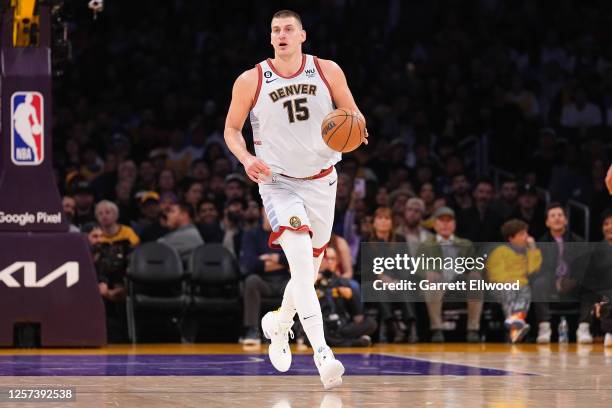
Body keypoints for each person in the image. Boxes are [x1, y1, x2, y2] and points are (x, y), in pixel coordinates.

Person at [224, 9, 367, 389]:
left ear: (303, 35)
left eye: (289, 29)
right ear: (270, 38)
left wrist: (356, 127)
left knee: (308, 271)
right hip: (277, 182)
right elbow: (231, 130)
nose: (282, 35)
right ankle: (324, 355)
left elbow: (352, 113)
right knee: (302, 263)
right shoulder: (251, 79)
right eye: (275, 30)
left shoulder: (327, 70)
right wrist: (247, 158)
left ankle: (281, 323)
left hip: (322, 181)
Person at [416, 206, 483, 343]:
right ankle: (437, 330)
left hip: (459, 282)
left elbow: (476, 264)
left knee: (476, 282)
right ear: (434, 224)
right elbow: (418, 265)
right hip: (437, 281)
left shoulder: (465, 244)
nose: (445, 224)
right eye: (442, 220)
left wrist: (475, 272)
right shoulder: (426, 245)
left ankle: (473, 330)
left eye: (449, 221)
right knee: (433, 283)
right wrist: (427, 272)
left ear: (454, 224)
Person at [533, 203, 590, 344]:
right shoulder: (541, 243)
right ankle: (544, 326)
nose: (557, 218)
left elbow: (583, 267)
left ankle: (584, 327)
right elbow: (540, 268)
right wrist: (557, 282)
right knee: (539, 282)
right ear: (547, 222)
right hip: (550, 284)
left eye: (560, 215)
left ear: (566, 220)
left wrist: (571, 281)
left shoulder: (578, 241)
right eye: (553, 216)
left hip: (573, 284)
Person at [486, 220, 542, 343]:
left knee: (525, 291)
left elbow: (533, 269)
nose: (526, 237)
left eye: (526, 233)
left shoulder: (528, 252)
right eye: (522, 234)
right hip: (500, 287)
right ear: (511, 238)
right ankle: (515, 322)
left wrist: (533, 249)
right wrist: (510, 283)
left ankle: (515, 327)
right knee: (509, 289)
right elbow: (496, 275)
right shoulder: (500, 252)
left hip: (521, 287)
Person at [240, 210, 290, 346]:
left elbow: (294, 260)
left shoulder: (287, 234)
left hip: (284, 281)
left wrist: (271, 257)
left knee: (298, 283)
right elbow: (249, 264)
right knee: (251, 280)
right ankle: (252, 330)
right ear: (263, 213)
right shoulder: (251, 235)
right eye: (269, 212)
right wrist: (281, 263)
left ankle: (300, 331)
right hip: (263, 282)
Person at [315, 247, 377, 347]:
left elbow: (357, 313)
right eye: (326, 258)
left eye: (332, 259)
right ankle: (354, 342)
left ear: (337, 262)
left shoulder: (342, 282)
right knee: (320, 333)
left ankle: (338, 339)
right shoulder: (312, 280)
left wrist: (351, 297)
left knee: (371, 323)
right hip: (322, 324)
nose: (329, 262)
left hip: (341, 325)